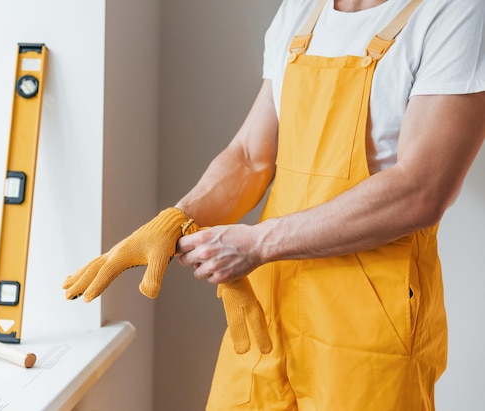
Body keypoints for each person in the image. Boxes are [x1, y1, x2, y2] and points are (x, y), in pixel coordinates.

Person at [64, 0, 485, 409]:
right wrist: (178, 217)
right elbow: (251, 156)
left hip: (371, 323)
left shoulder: (453, 12)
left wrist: (256, 244)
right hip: (266, 314)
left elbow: (421, 189)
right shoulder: (301, 11)